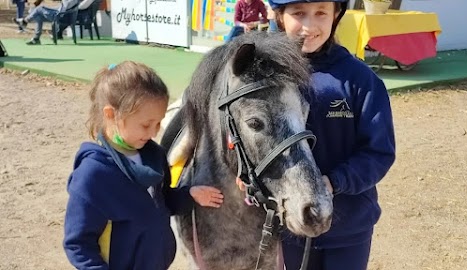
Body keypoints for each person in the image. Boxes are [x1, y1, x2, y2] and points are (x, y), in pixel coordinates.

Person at [238, 0, 396, 269]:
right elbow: (248, 132)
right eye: (299, 13)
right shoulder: (264, 76)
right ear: (280, 17)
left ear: (336, 15)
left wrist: (333, 182)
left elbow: (379, 152)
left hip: (348, 227)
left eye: (321, 13)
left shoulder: (360, 80)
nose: (309, 26)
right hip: (290, 225)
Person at [63, 61, 224, 270]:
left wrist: (189, 195)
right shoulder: (93, 176)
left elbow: (161, 201)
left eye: (158, 123)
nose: (154, 132)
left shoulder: (154, 155)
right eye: (146, 125)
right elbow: (78, 244)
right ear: (111, 115)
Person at [12, 0, 79, 45]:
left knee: (39, 8)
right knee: (38, 16)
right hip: (61, 15)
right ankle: (36, 38)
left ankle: (25, 21)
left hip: (59, 17)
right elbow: (62, 8)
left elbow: (62, 10)